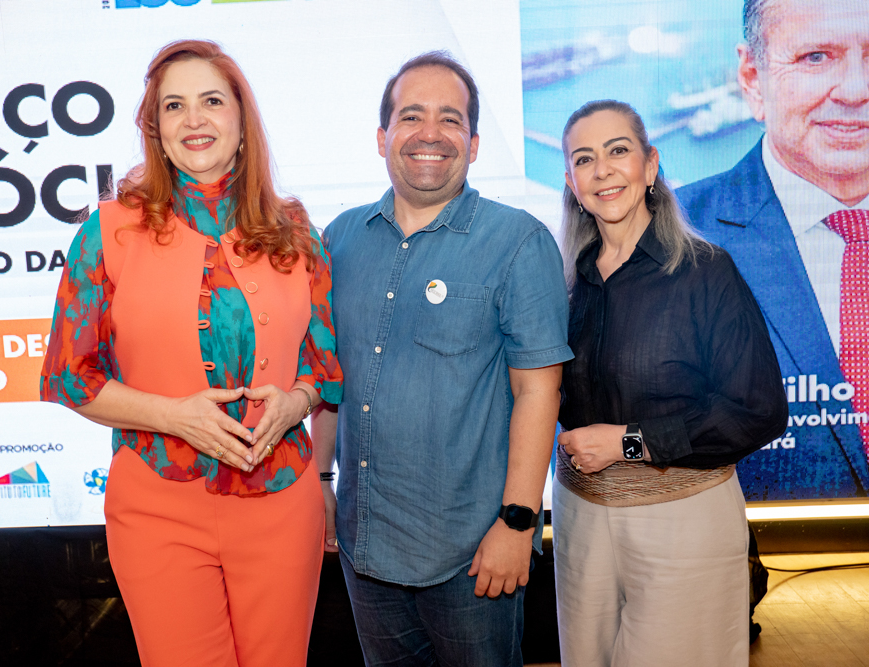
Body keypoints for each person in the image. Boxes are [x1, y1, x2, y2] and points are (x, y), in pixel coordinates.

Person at [40, 40, 342, 667]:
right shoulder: (106, 232)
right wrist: (175, 417)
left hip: (282, 505)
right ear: (156, 128)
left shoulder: (298, 231)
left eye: (211, 100)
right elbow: (70, 376)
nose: (194, 119)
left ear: (241, 121)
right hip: (157, 509)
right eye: (174, 106)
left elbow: (324, 366)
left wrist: (295, 404)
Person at [314, 51, 572, 666]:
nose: (430, 133)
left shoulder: (518, 242)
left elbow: (540, 393)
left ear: (475, 143)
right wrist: (320, 481)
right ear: (383, 137)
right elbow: (327, 378)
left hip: (472, 556)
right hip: (364, 544)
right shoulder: (339, 239)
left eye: (450, 119)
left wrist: (517, 523)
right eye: (412, 116)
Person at [553, 99, 788, 666]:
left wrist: (628, 441)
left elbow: (758, 410)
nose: (602, 170)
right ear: (571, 182)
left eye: (618, 151)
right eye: (585, 159)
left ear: (651, 165)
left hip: (684, 521)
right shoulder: (559, 282)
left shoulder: (706, 272)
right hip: (580, 518)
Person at [677, 0, 869, 499]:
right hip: (737, 574)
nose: (856, 91)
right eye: (816, 56)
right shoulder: (662, 244)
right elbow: (596, 451)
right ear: (753, 77)